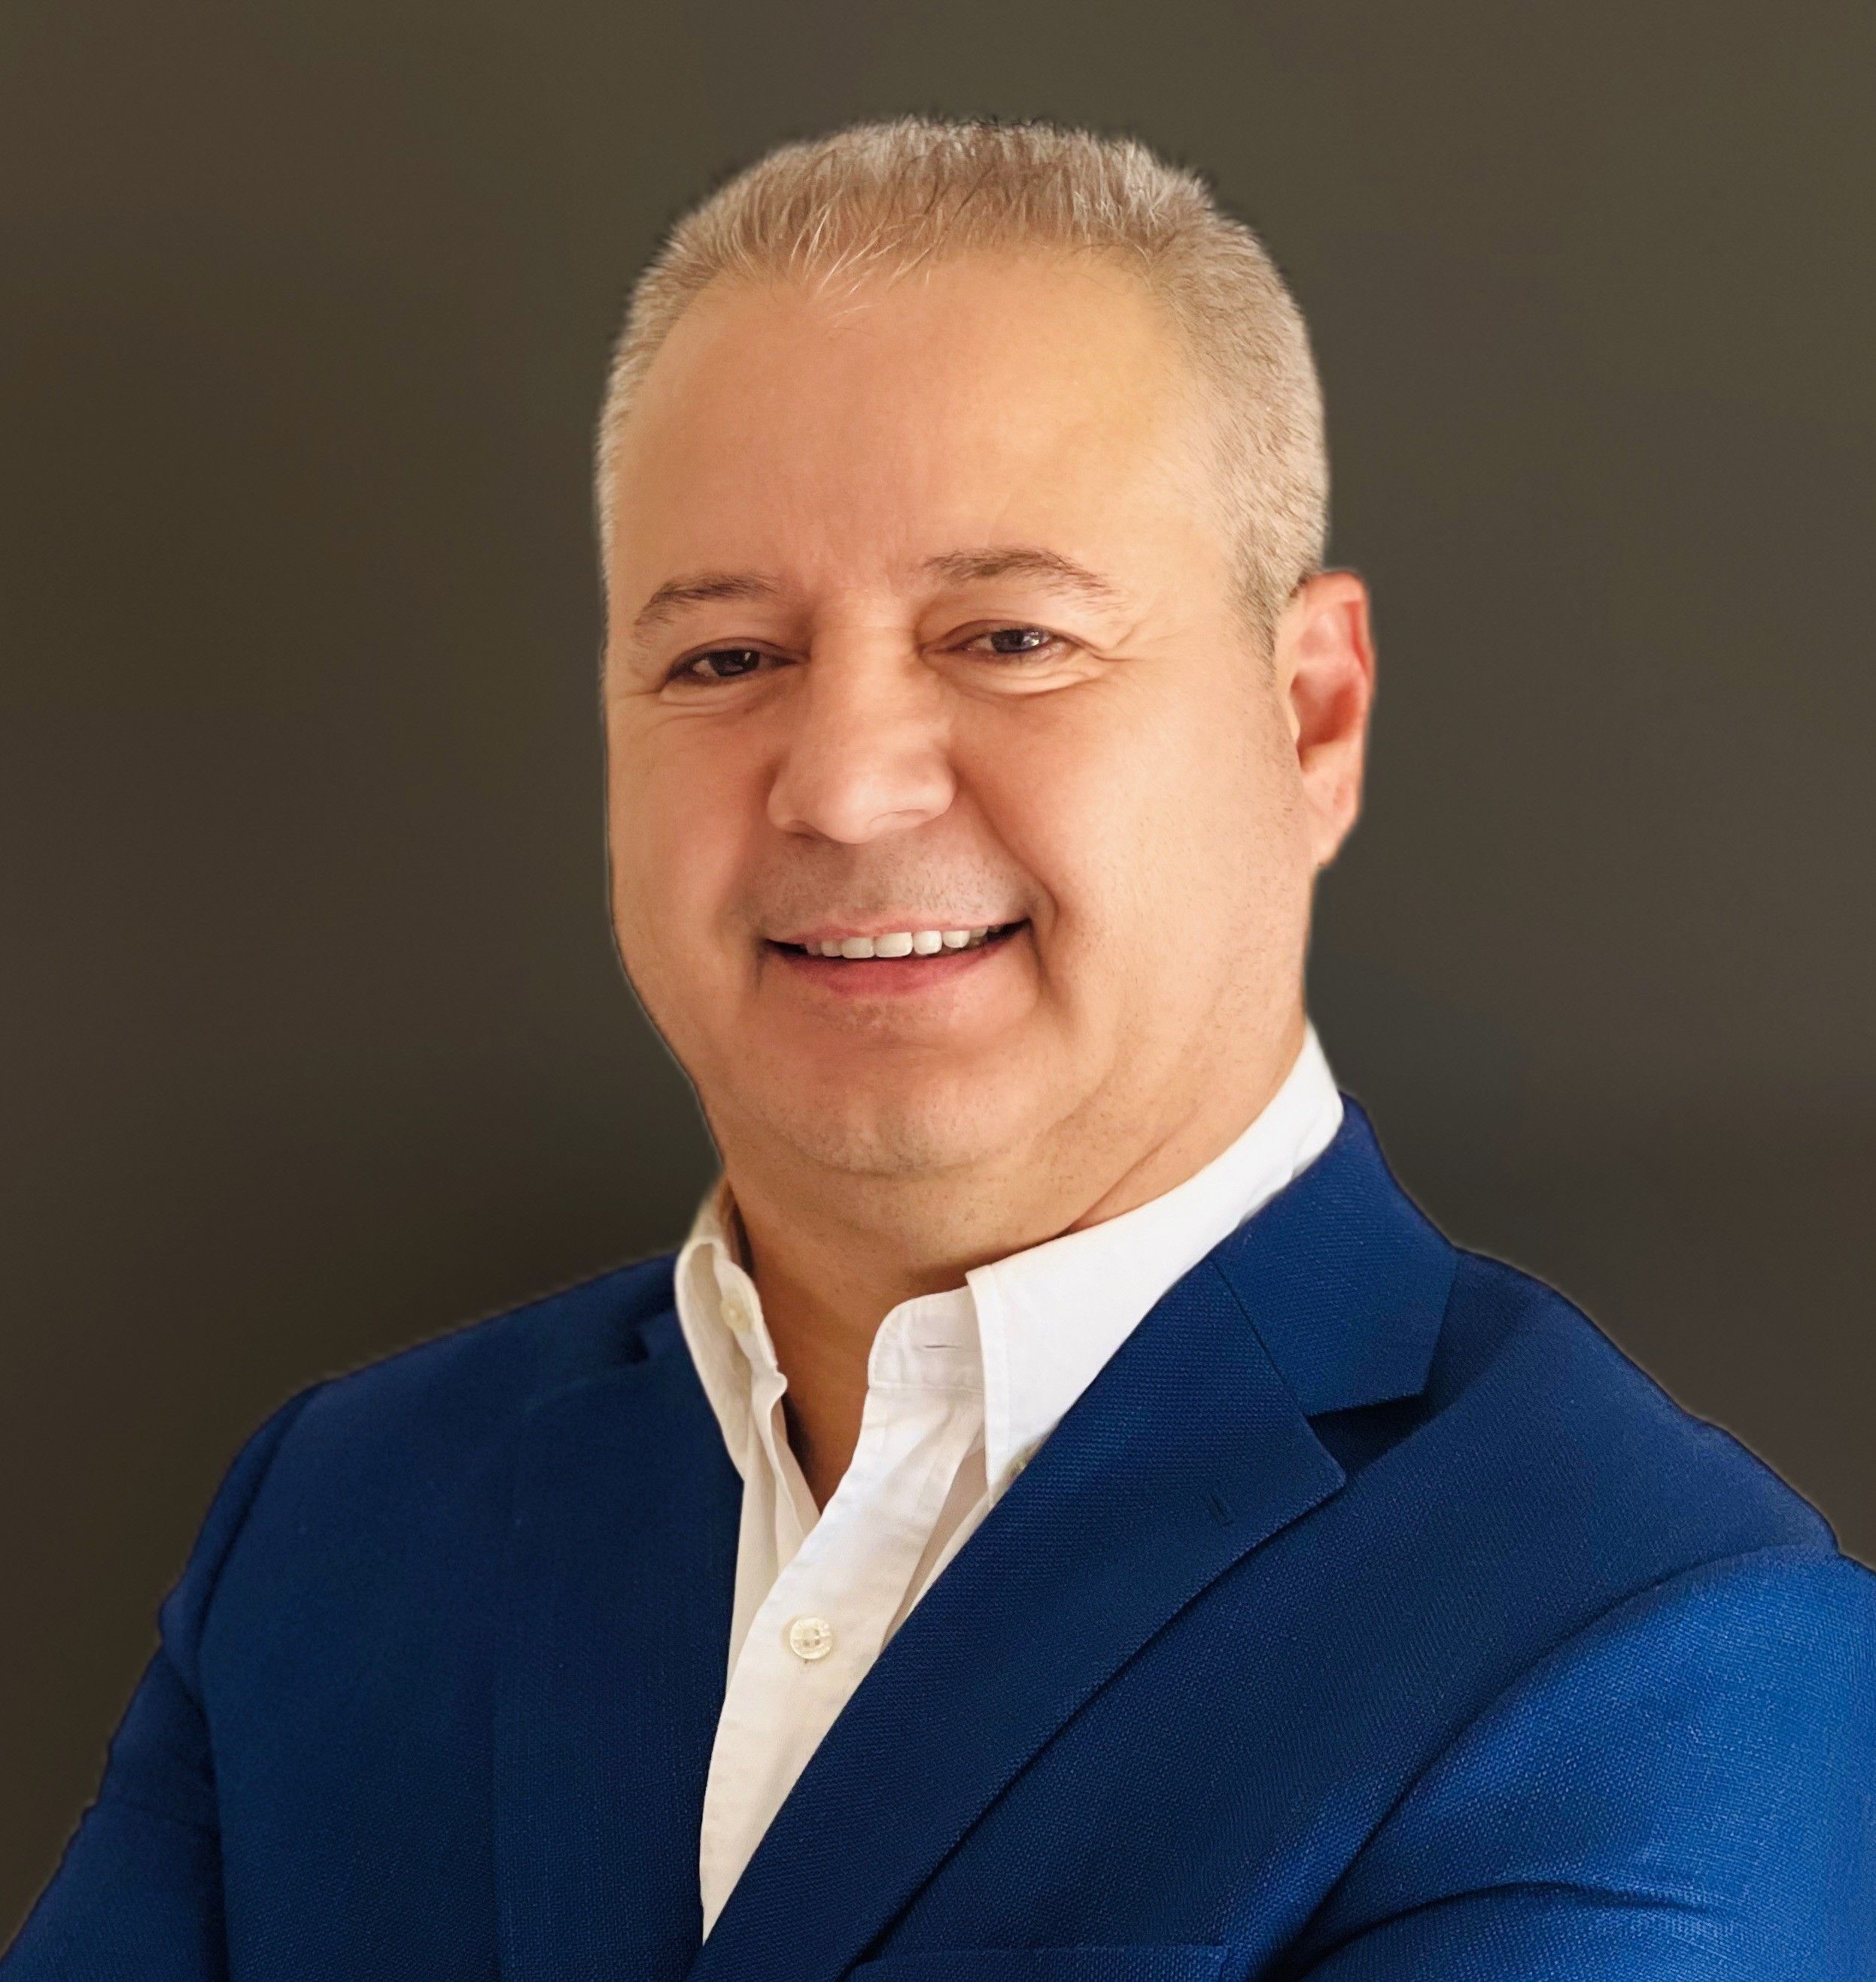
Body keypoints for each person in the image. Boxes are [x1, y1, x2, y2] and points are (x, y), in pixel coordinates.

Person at [7, 116, 1871, 1981]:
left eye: (1006, 634)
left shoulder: (1655, 1648)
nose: (841, 781)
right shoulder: (336, 1519)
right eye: (724, 659)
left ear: (1308, 716)